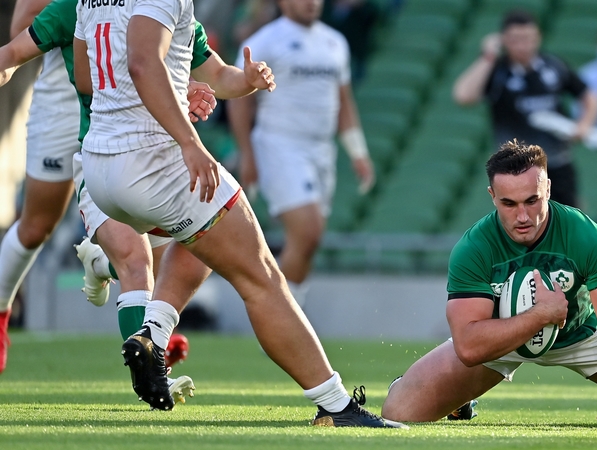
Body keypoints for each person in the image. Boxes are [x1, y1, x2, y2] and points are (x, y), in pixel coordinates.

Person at [72, 0, 403, 428]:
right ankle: (336, 406)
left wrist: (226, 82)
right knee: (261, 276)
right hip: (152, 160)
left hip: (100, 168)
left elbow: (89, 76)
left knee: (199, 242)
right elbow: (142, 63)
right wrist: (190, 141)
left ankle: (152, 334)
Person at [381, 141, 597, 428]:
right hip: (501, 337)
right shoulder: (474, 247)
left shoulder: (587, 236)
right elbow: (468, 346)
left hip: (581, 335)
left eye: (532, 200)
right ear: (492, 196)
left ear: (547, 188)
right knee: (399, 410)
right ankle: (459, 400)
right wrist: (541, 315)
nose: (522, 216)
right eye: (509, 204)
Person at [0, 0, 230, 403]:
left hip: (132, 111)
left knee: (147, 250)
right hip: (68, 100)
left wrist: (186, 85)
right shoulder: (70, 9)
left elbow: (191, 65)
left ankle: (149, 339)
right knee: (38, 225)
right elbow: (22, 33)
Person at [228, 0, 375, 307]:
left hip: (322, 149)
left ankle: (286, 310)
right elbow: (239, 100)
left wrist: (358, 152)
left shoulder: (335, 42)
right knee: (308, 231)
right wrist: (247, 154)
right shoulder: (264, 41)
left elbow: (343, 100)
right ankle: (280, 314)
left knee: (308, 243)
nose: (312, 2)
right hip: (280, 144)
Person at [0, 0, 81, 374]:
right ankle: (2, 312)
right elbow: (21, 25)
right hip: (64, 101)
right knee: (36, 227)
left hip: (128, 102)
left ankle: (155, 331)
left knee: (137, 220)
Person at [452, 9, 597, 208]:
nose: (523, 45)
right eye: (516, 39)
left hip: (556, 163)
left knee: (566, 219)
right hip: (514, 169)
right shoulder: (498, 72)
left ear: (538, 37)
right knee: (521, 221)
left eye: (528, 38)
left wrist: (584, 125)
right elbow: (463, 95)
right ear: (504, 40)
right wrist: (488, 56)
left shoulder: (553, 66)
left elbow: (591, 97)